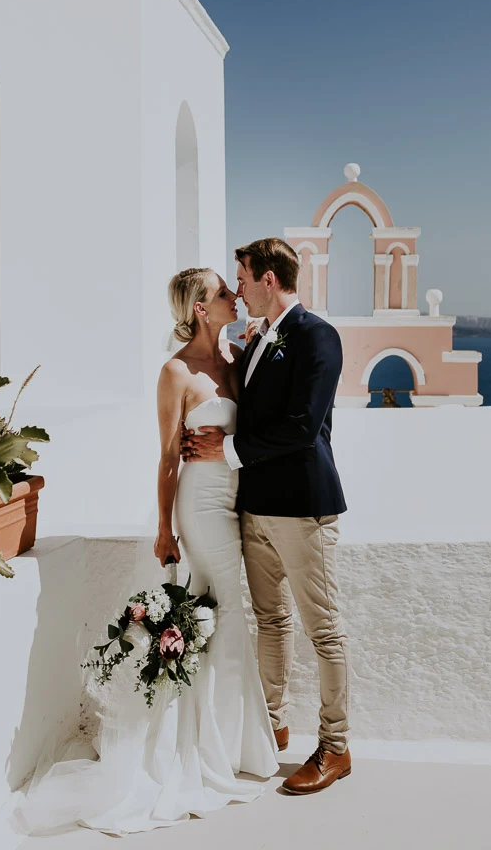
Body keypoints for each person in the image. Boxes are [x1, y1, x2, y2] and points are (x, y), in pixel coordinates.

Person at [12, 267, 277, 838]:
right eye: (224, 293)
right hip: (202, 505)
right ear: (202, 308)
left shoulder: (235, 360)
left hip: (238, 500)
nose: (236, 296)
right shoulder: (176, 372)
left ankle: (224, 742)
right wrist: (164, 528)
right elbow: (166, 460)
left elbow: (255, 429)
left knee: (221, 619)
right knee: (229, 612)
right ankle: (212, 752)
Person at [181, 238, 351, 795]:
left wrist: (224, 452)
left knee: (322, 630)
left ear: (270, 279)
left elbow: (304, 425)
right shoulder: (252, 344)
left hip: (304, 510)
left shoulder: (318, 337)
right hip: (252, 510)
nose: (239, 289)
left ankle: (335, 745)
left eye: (243, 278)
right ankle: (270, 724)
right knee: (271, 622)